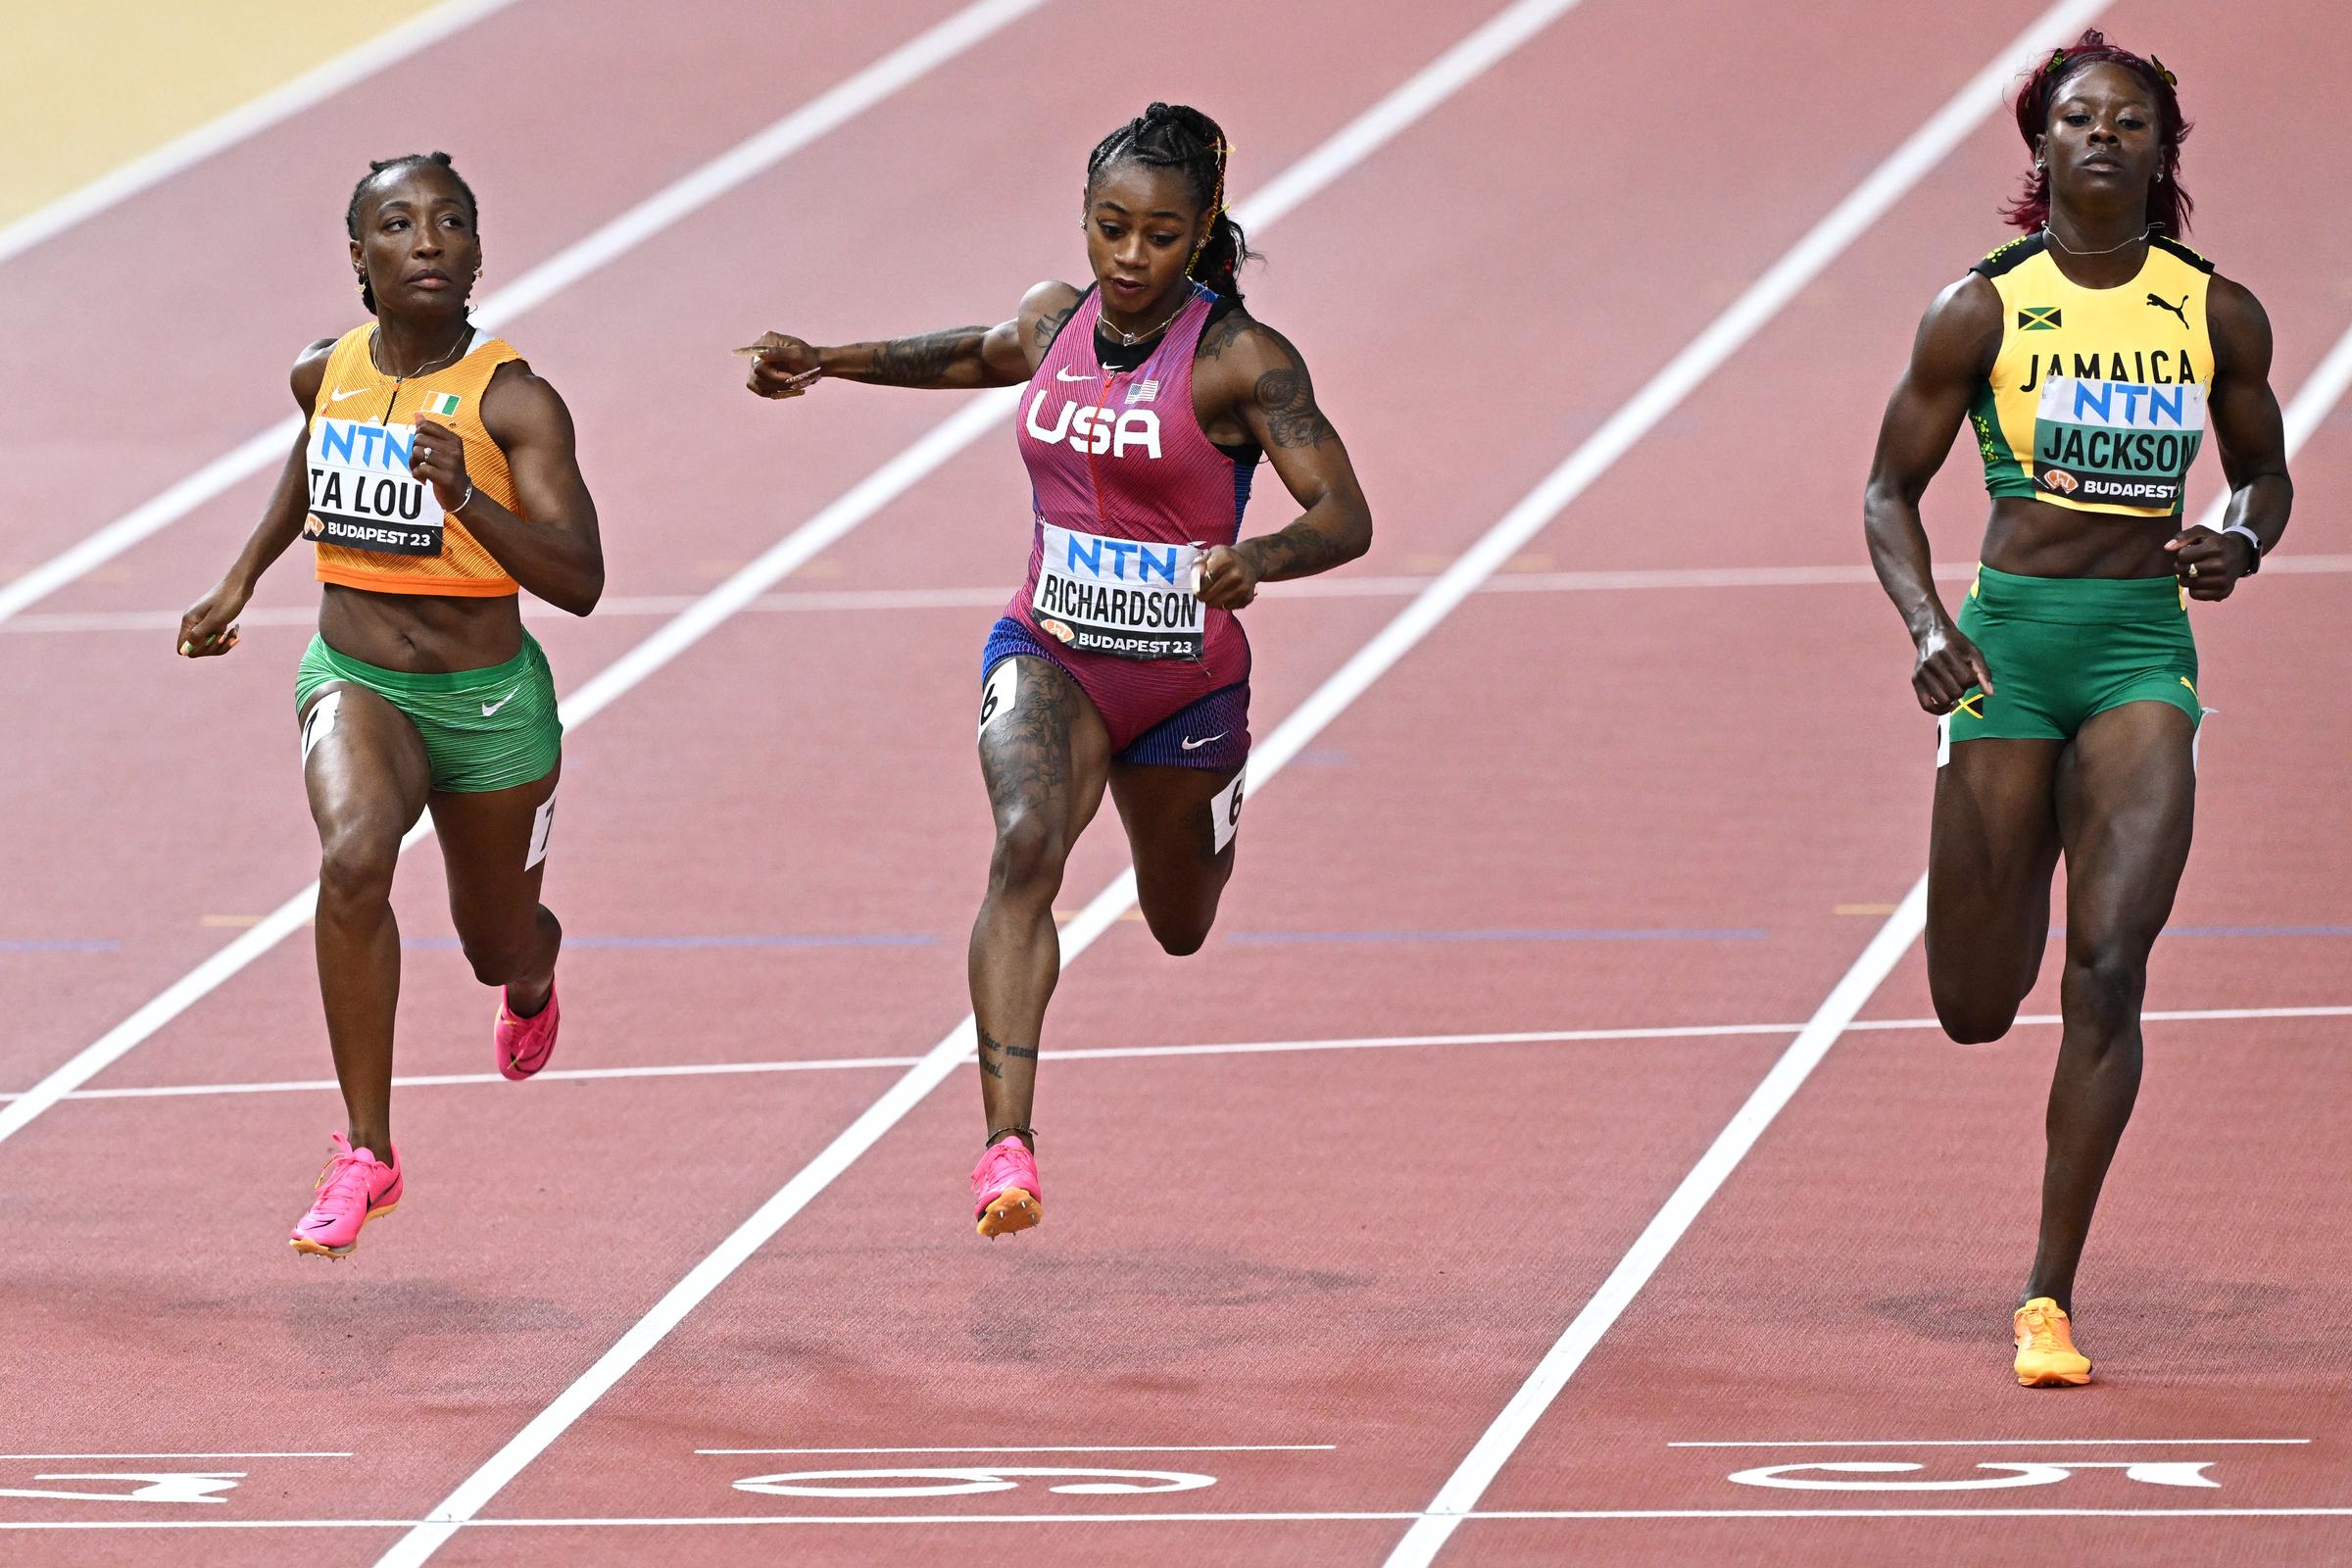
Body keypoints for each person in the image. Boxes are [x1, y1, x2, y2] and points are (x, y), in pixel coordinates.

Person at [743, 103, 1372, 1238]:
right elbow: (976, 354)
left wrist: (1257, 559)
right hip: (1052, 652)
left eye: (1160, 236)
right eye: (1109, 227)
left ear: (1202, 233)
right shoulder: (1055, 322)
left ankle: (1210, 819)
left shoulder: (1242, 362)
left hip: (1184, 685)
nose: (1129, 258)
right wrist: (826, 362)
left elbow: (1347, 515)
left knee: (1180, 921)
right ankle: (1006, 1147)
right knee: (1027, 840)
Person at [1863, 35, 2290, 1384]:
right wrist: (1932, 630)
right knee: (1977, 1006)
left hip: (2137, 658)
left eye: (2128, 123)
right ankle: (2011, 853)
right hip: (2009, 659)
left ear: (2164, 154)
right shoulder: (1979, 311)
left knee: (2109, 969)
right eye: (2075, 120)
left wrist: (2239, 538)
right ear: (2038, 148)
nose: (2101, 138)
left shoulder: (2212, 312)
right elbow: (1887, 493)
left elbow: (2264, 474)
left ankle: (2048, 1296)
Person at [178, 152, 604, 1258]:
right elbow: (312, 453)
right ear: (360, 257)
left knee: (493, 940)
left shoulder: (516, 402)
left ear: (475, 254)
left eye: (450, 223)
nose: (427, 241)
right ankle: (367, 1150)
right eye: (400, 224)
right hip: (356, 674)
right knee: (355, 852)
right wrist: (242, 577)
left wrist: (465, 493)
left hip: (488, 703)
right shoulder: (325, 373)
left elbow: (582, 578)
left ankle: (534, 977)